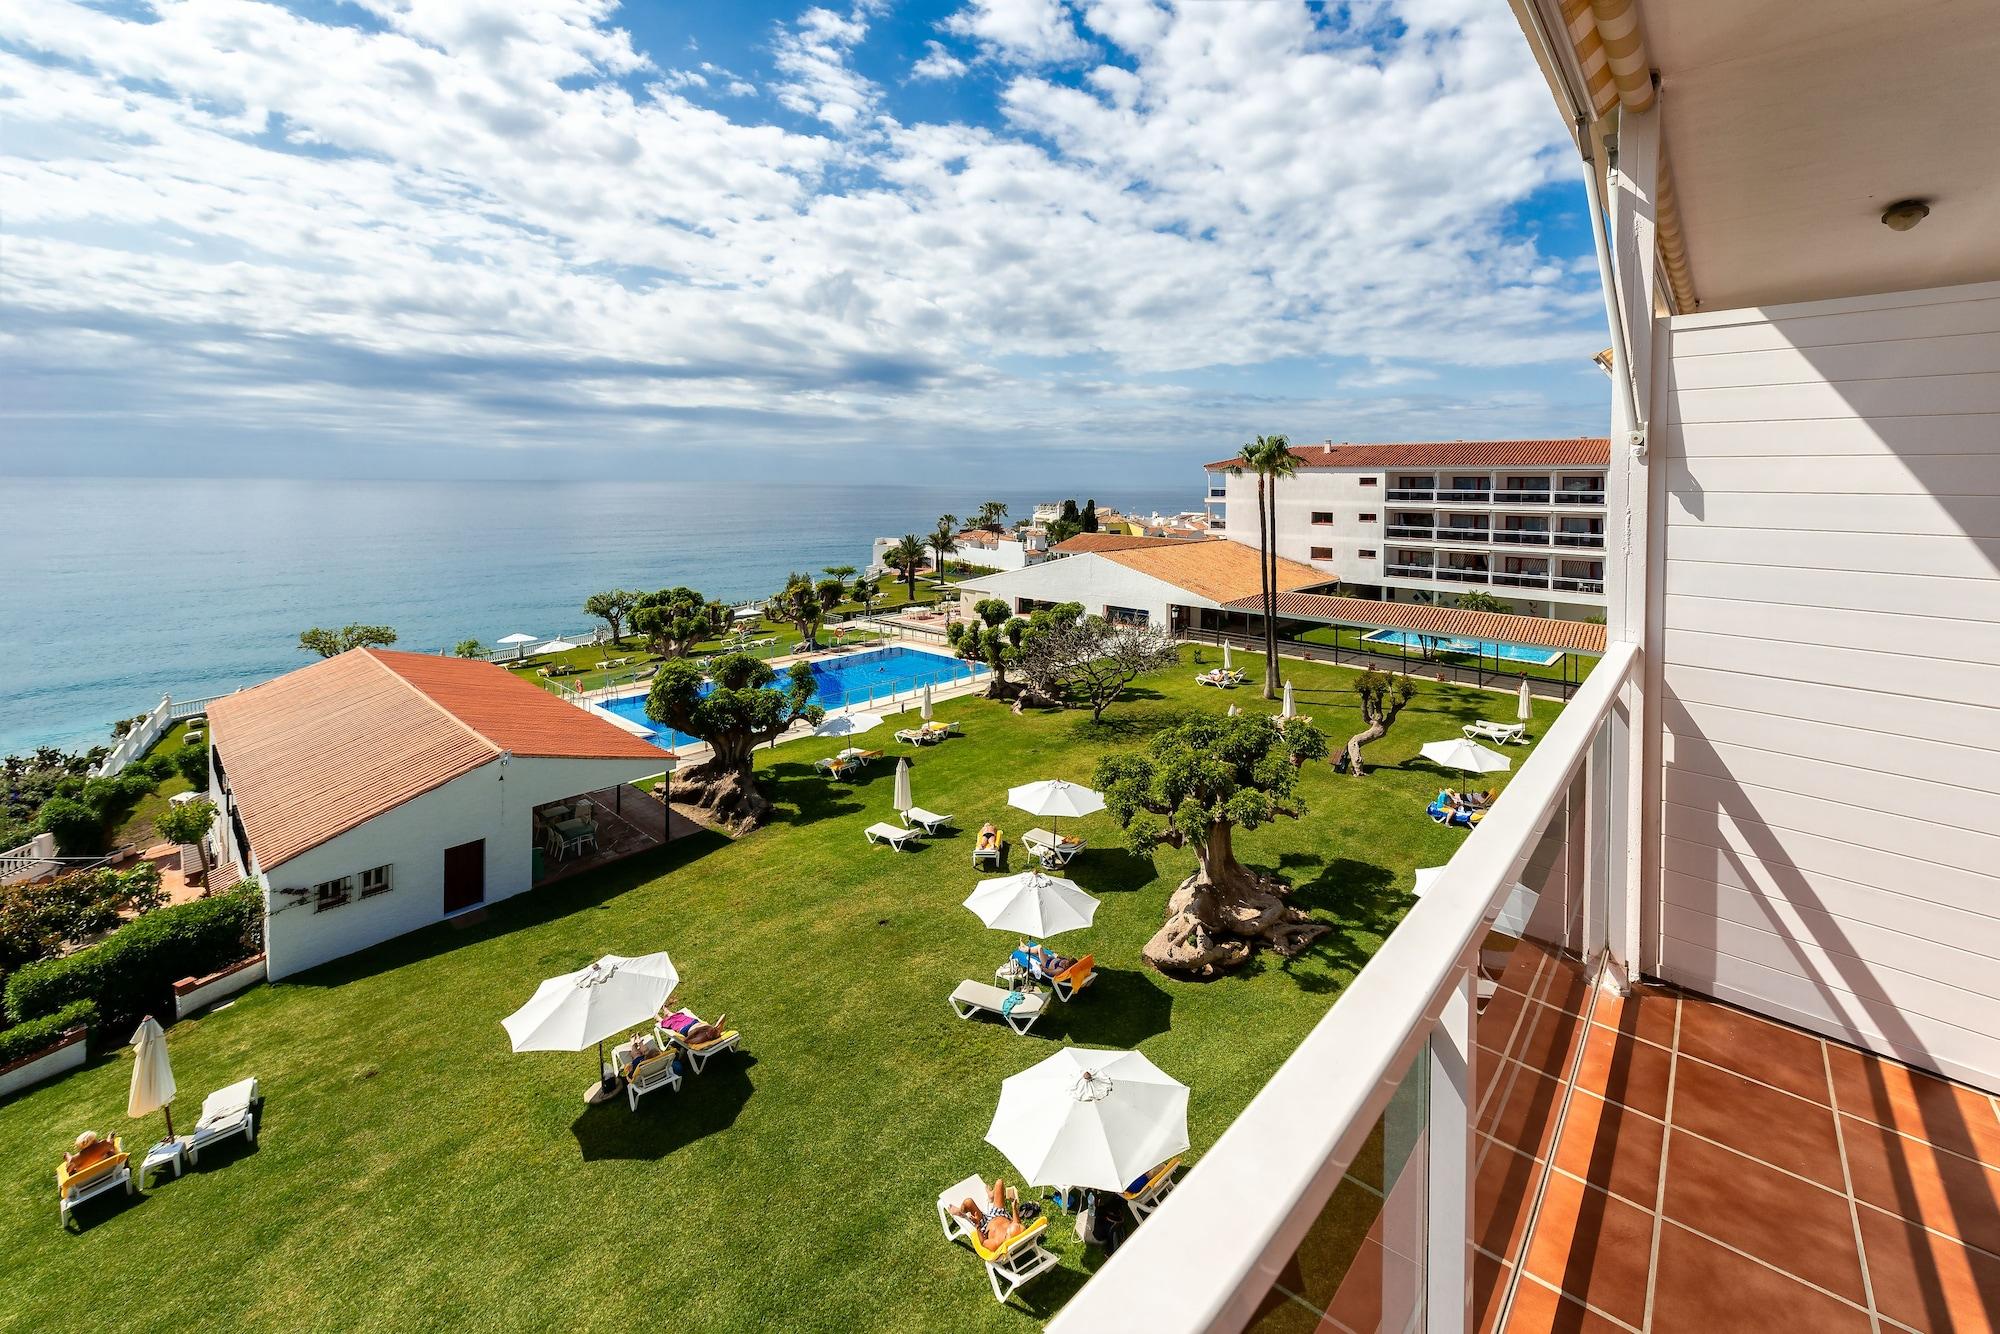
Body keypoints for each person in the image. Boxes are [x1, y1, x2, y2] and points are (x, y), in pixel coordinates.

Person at [949, 1179, 1026, 1252]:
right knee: (999, 1183)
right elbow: (1017, 1222)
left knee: (968, 1202)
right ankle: (991, 1196)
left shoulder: (996, 1243)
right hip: (1001, 1214)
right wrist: (1013, 1207)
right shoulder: (1018, 1232)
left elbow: (983, 1242)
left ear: (1007, 1235)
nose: (1013, 1223)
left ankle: (960, 1212)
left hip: (985, 1224)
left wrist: (977, 1225)